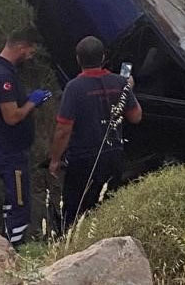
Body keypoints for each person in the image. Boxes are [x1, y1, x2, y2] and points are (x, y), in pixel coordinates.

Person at [48, 36, 142, 233]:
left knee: (74, 208)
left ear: (78, 59)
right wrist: (128, 89)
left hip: (83, 158)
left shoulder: (74, 88)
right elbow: (136, 117)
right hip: (113, 154)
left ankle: (70, 243)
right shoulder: (120, 83)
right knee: (107, 205)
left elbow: (63, 129)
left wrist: (55, 160)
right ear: (104, 57)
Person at [0, 26, 51, 249]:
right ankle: (15, 253)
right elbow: (12, 117)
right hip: (11, 154)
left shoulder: (1, 70)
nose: (30, 56)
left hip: (7, 150)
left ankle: (5, 243)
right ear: (21, 47)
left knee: (11, 203)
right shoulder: (3, 77)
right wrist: (33, 102)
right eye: (30, 51)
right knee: (19, 207)